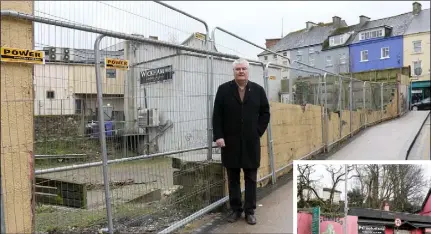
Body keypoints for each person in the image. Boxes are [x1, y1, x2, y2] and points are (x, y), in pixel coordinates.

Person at [212, 58, 270, 225]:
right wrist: (219, 136)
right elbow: (217, 115)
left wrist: (258, 131)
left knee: (251, 177)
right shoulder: (223, 90)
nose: (241, 71)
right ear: (234, 71)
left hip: (251, 142)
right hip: (230, 142)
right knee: (233, 178)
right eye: (238, 69)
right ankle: (236, 209)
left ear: (248, 71)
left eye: (244, 68)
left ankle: (250, 211)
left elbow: (265, 113)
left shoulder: (258, 90)